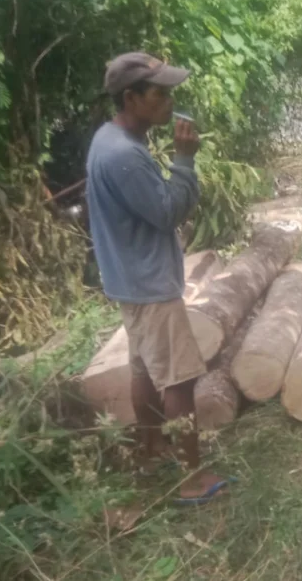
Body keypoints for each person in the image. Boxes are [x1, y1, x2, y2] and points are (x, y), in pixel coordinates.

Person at [86, 52, 228, 504]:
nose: (170, 101)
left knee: (145, 369)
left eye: (170, 92)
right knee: (180, 380)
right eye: (159, 93)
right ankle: (192, 479)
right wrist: (185, 161)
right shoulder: (125, 156)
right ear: (131, 98)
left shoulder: (109, 139)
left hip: (131, 279)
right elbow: (167, 212)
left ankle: (151, 449)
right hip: (148, 283)